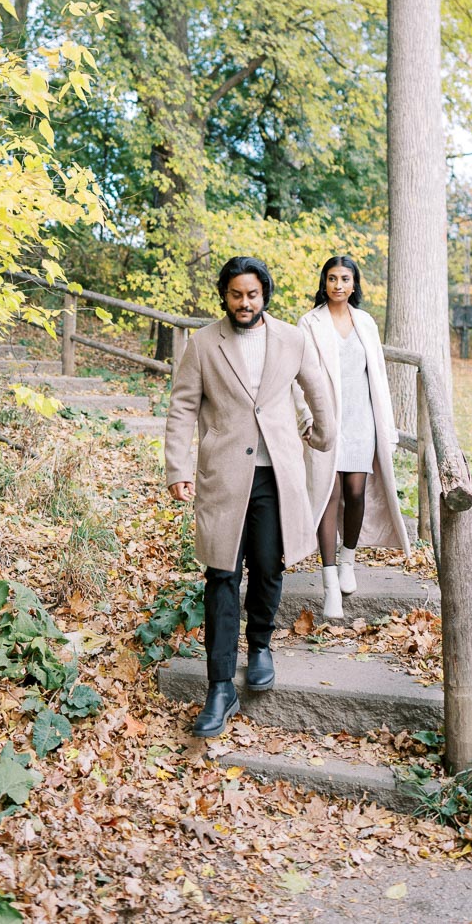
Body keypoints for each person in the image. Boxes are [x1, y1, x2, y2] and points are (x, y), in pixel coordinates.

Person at [165, 256, 335, 738]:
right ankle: (220, 686)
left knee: (266, 567)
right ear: (225, 295)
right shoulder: (203, 344)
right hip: (223, 476)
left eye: (252, 295)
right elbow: (182, 408)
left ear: (265, 296)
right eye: (236, 294)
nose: (245, 303)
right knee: (221, 576)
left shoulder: (291, 339)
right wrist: (177, 468)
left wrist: (323, 434)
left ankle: (260, 644)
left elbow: (317, 387)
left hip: (276, 475)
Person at [295, 255, 410, 622]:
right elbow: (297, 377)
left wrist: (386, 428)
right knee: (328, 495)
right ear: (324, 282)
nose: (338, 285)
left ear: (354, 283)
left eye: (345, 278)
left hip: (361, 421)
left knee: (355, 492)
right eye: (332, 278)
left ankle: (348, 559)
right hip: (326, 421)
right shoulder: (309, 323)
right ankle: (329, 583)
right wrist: (307, 419)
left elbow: (378, 377)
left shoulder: (365, 322)